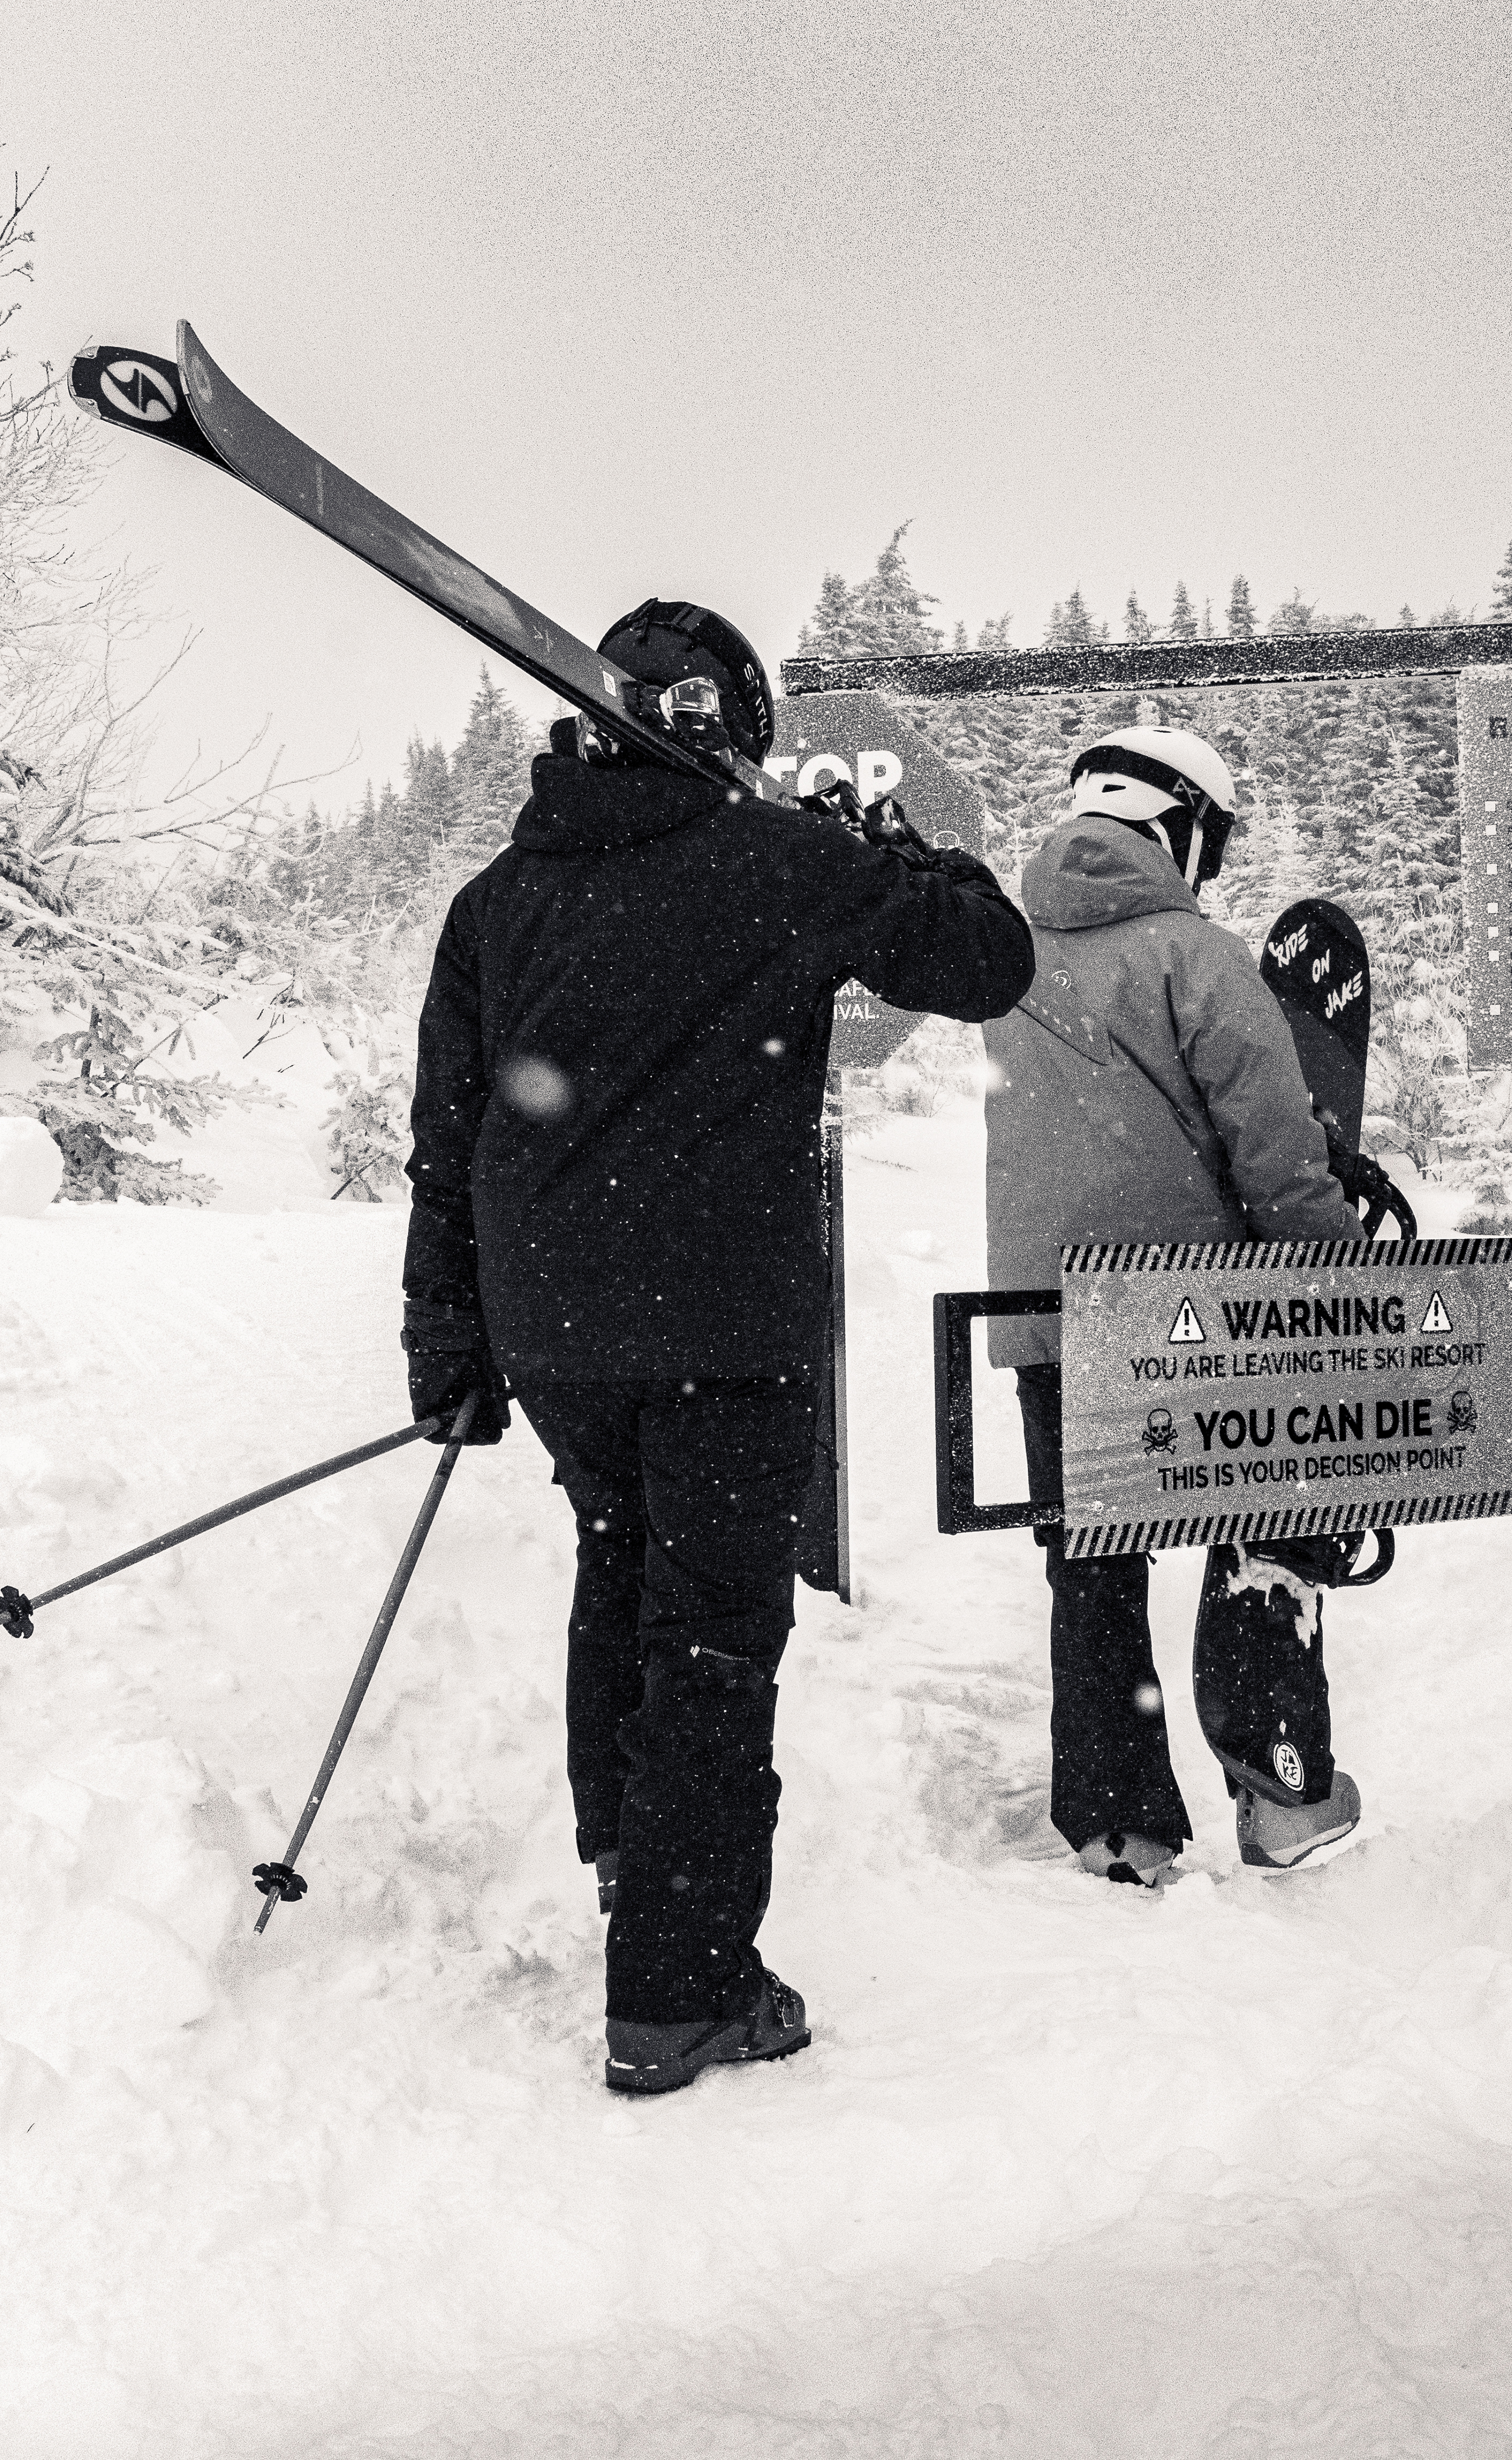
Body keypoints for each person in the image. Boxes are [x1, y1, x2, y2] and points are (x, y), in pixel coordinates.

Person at [401, 599, 1034, 2094]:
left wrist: (453, 1340)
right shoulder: (784, 865)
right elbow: (986, 959)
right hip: (721, 1329)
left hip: (556, 1329)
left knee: (618, 1564)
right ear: (730, 734)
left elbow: (445, 1140)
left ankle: (634, 1863)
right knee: (708, 1634)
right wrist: (882, 843)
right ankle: (680, 1991)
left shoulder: (501, 901)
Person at [983, 717, 1365, 1888]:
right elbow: (1276, 1153)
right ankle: (1276, 1788)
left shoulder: (1004, 951)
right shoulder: (1196, 958)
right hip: (1195, 1320)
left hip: (1052, 1320)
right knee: (1273, 1513)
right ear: (1180, 828)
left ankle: (1118, 1822)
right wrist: (1337, 1274)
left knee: (1092, 1565)